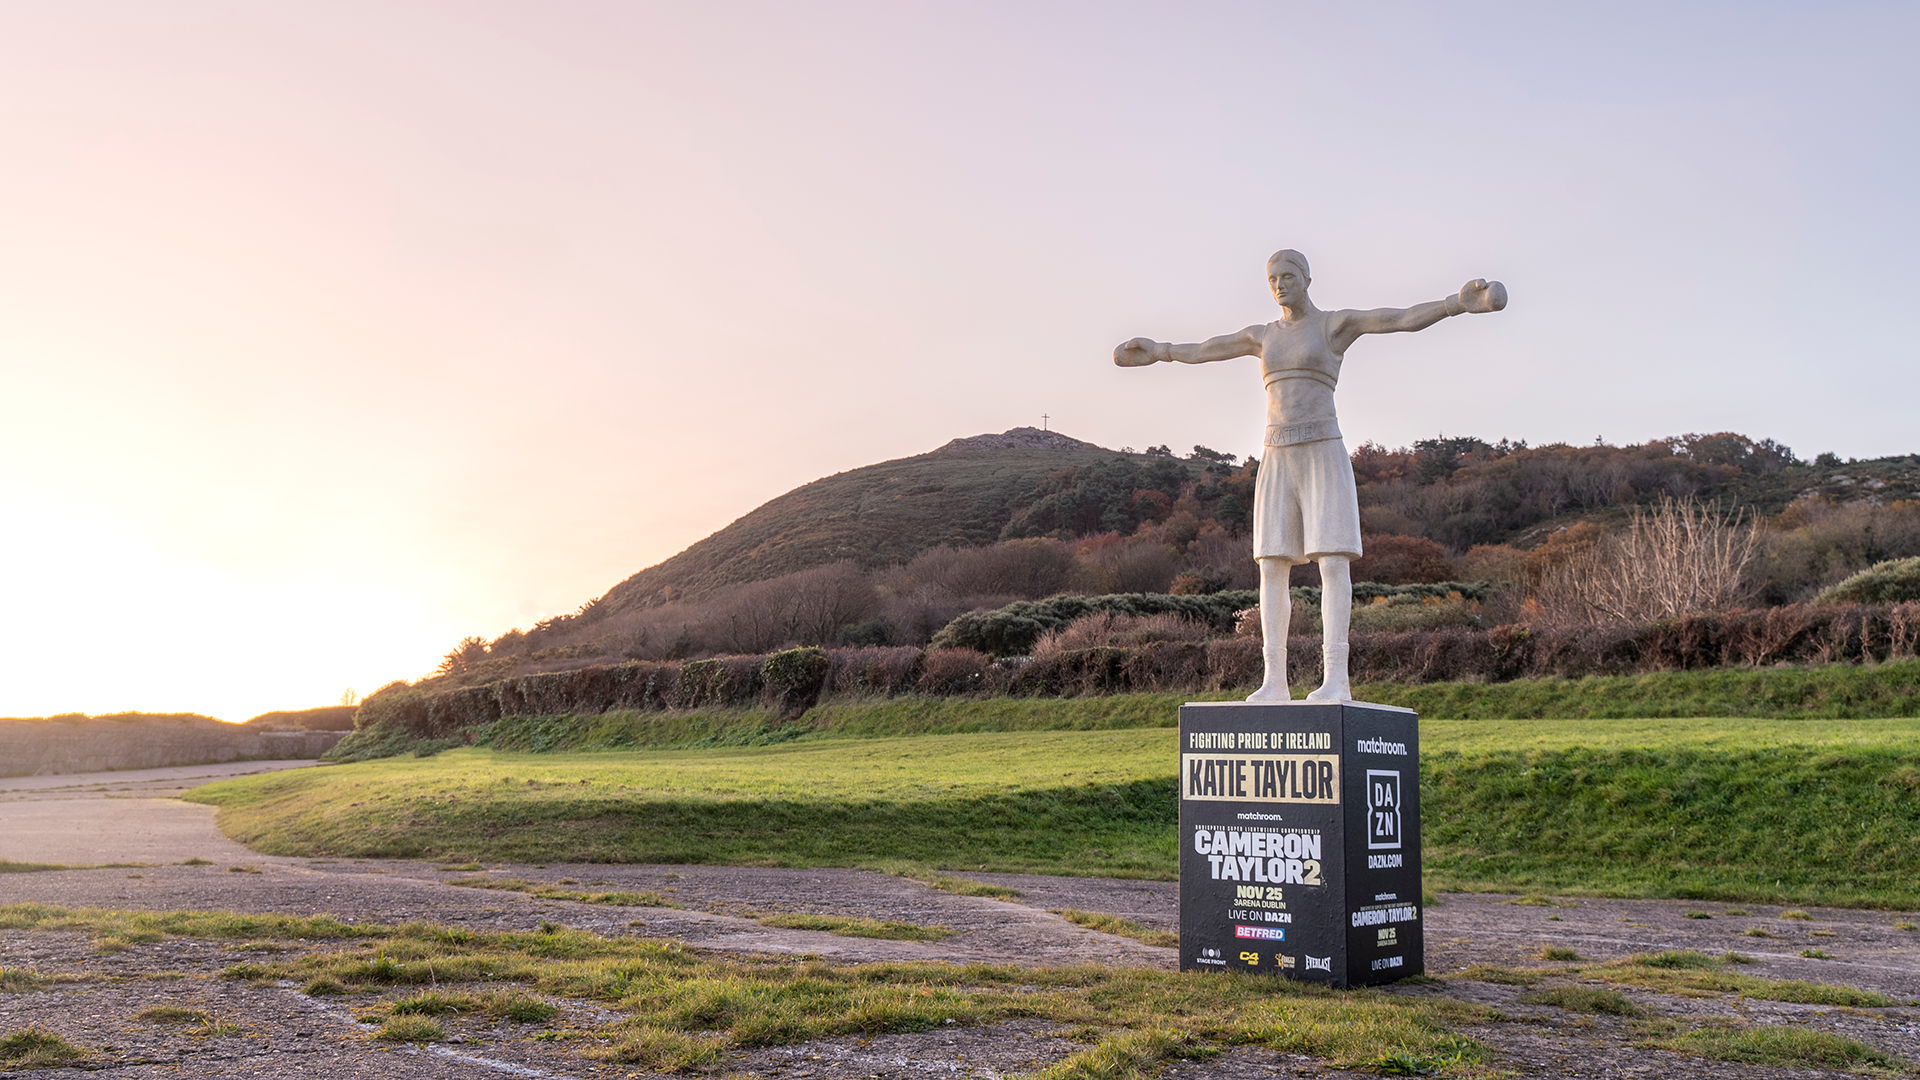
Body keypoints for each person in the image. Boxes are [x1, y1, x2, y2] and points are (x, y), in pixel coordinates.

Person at [1115, 249, 1506, 701]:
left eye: (1288, 276)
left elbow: (1397, 318)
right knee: (1272, 565)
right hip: (1277, 453)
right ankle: (1274, 682)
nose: (1280, 285)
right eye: (1272, 279)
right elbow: (1205, 349)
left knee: (1332, 561)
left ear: (1307, 278)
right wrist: (1159, 353)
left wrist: (1455, 304)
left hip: (1322, 450)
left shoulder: (1333, 326)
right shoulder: (1261, 336)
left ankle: (1336, 679)